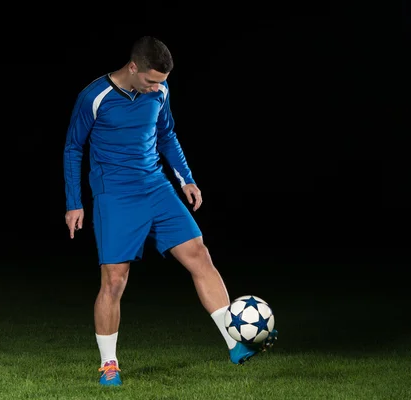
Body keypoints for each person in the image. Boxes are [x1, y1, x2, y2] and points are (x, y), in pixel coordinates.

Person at [63, 36, 277, 386]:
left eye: (162, 82)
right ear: (133, 68)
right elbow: (73, 147)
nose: (157, 88)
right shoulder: (94, 96)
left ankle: (234, 342)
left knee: (200, 254)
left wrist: (186, 180)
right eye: (151, 81)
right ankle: (109, 365)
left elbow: (166, 135)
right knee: (114, 281)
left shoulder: (160, 91)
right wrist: (74, 202)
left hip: (156, 187)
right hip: (114, 195)